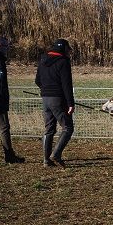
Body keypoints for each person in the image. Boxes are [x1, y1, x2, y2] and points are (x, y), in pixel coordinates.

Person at [35, 39, 75, 168]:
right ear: (63, 49)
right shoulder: (63, 62)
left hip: (45, 98)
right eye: (68, 49)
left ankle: (46, 160)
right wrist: (70, 103)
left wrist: (45, 90)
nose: (69, 52)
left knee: (49, 128)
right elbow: (66, 84)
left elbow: (37, 80)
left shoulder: (42, 60)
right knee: (68, 128)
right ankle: (56, 154)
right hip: (58, 99)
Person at [0, 36, 25, 163]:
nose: (7, 49)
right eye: (6, 47)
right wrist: (0, 102)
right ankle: (9, 155)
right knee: (4, 127)